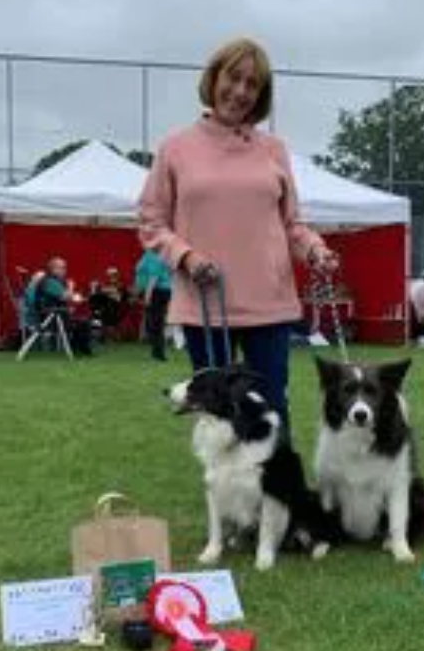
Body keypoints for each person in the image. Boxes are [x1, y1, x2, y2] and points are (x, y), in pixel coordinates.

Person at [138, 37, 338, 427]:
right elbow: (151, 221)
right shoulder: (174, 148)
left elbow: (292, 224)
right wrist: (187, 256)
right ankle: (227, 490)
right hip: (205, 305)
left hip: (270, 304)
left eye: (253, 84)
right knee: (218, 417)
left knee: (271, 409)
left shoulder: (274, 150)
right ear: (214, 78)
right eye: (234, 78)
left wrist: (316, 250)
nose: (241, 91)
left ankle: (278, 489)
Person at [25, 256, 92, 356]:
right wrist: (71, 287)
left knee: (82, 321)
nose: (64, 270)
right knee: (83, 322)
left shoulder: (53, 281)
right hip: (49, 318)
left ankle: (78, 348)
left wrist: (70, 302)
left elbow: (63, 298)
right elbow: (66, 297)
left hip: (51, 315)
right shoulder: (49, 281)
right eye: (62, 268)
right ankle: (79, 349)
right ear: (53, 269)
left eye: (64, 267)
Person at [135, 250, 172, 361]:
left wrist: (147, 296)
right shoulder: (149, 253)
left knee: (155, 323)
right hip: (157, 291)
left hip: (157, 291)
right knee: (154, 323)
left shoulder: (154, 255)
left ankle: (159, 354)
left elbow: (153, 277)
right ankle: (157, 352)